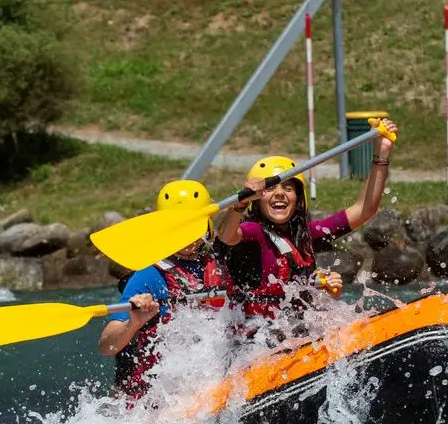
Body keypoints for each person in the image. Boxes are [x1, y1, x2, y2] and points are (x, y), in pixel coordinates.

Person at [213, 118, 399, 323]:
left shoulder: (306, 234)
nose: (280, 194)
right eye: (270, 189)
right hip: (254, 339)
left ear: (298, 199)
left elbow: (364, 210)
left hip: (293, 334)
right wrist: (239, 203)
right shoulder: (252, 232)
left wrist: (381, 154)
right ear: (256, 200)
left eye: (288, 188)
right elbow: (227, 235)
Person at [99, 180, 227, 401]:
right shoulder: (149, 275)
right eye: (175, 224)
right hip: (156, 398)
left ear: (207, 224)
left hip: (208, 381)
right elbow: (106, 346)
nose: (185, 232)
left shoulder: (217, 264)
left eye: (192, 223)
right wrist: (134, 322)